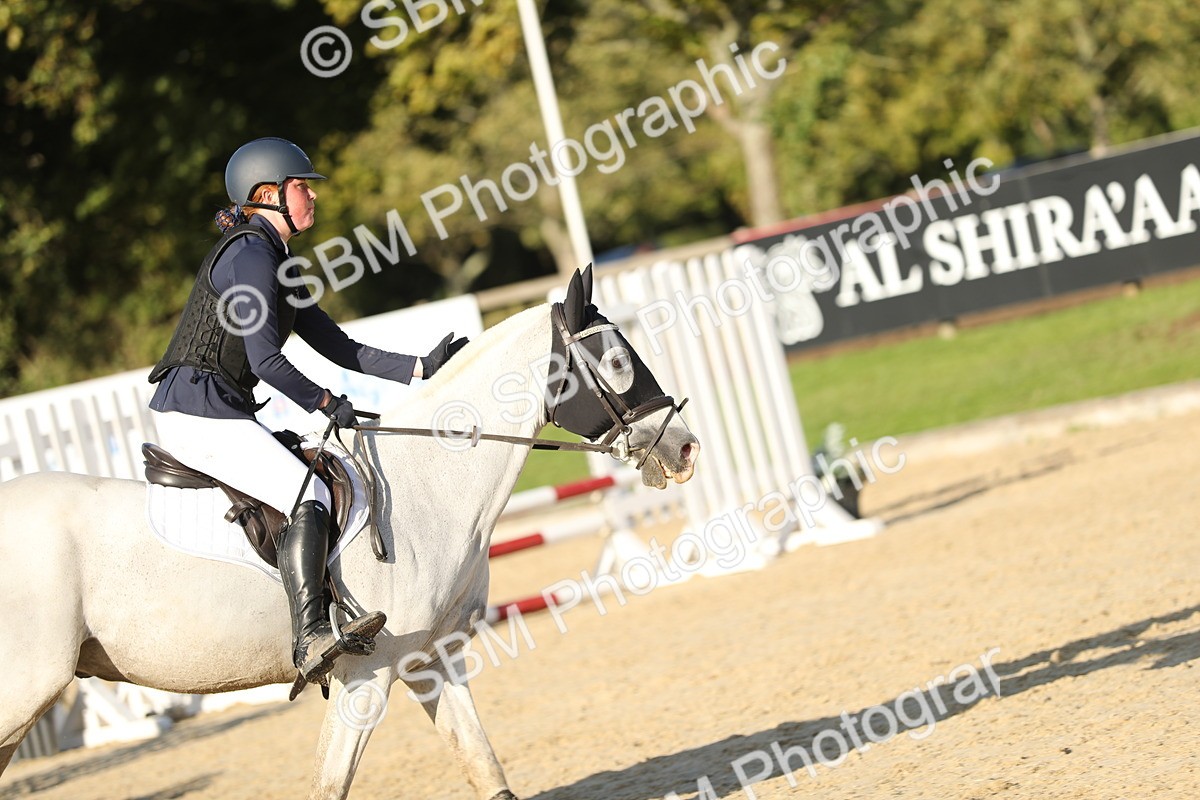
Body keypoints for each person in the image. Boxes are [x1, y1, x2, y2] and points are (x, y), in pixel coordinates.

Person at [147, 137, 467, 684]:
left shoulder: (275, 258)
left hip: (219, 406)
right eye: (302, 187)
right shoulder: (249, 255)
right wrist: (325, 403)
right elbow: (266, 361)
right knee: (310, 490)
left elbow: (338, 346)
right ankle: (311, 635)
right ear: (267, 193)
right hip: (197, 410)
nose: (312, 197)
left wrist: (422, 367)